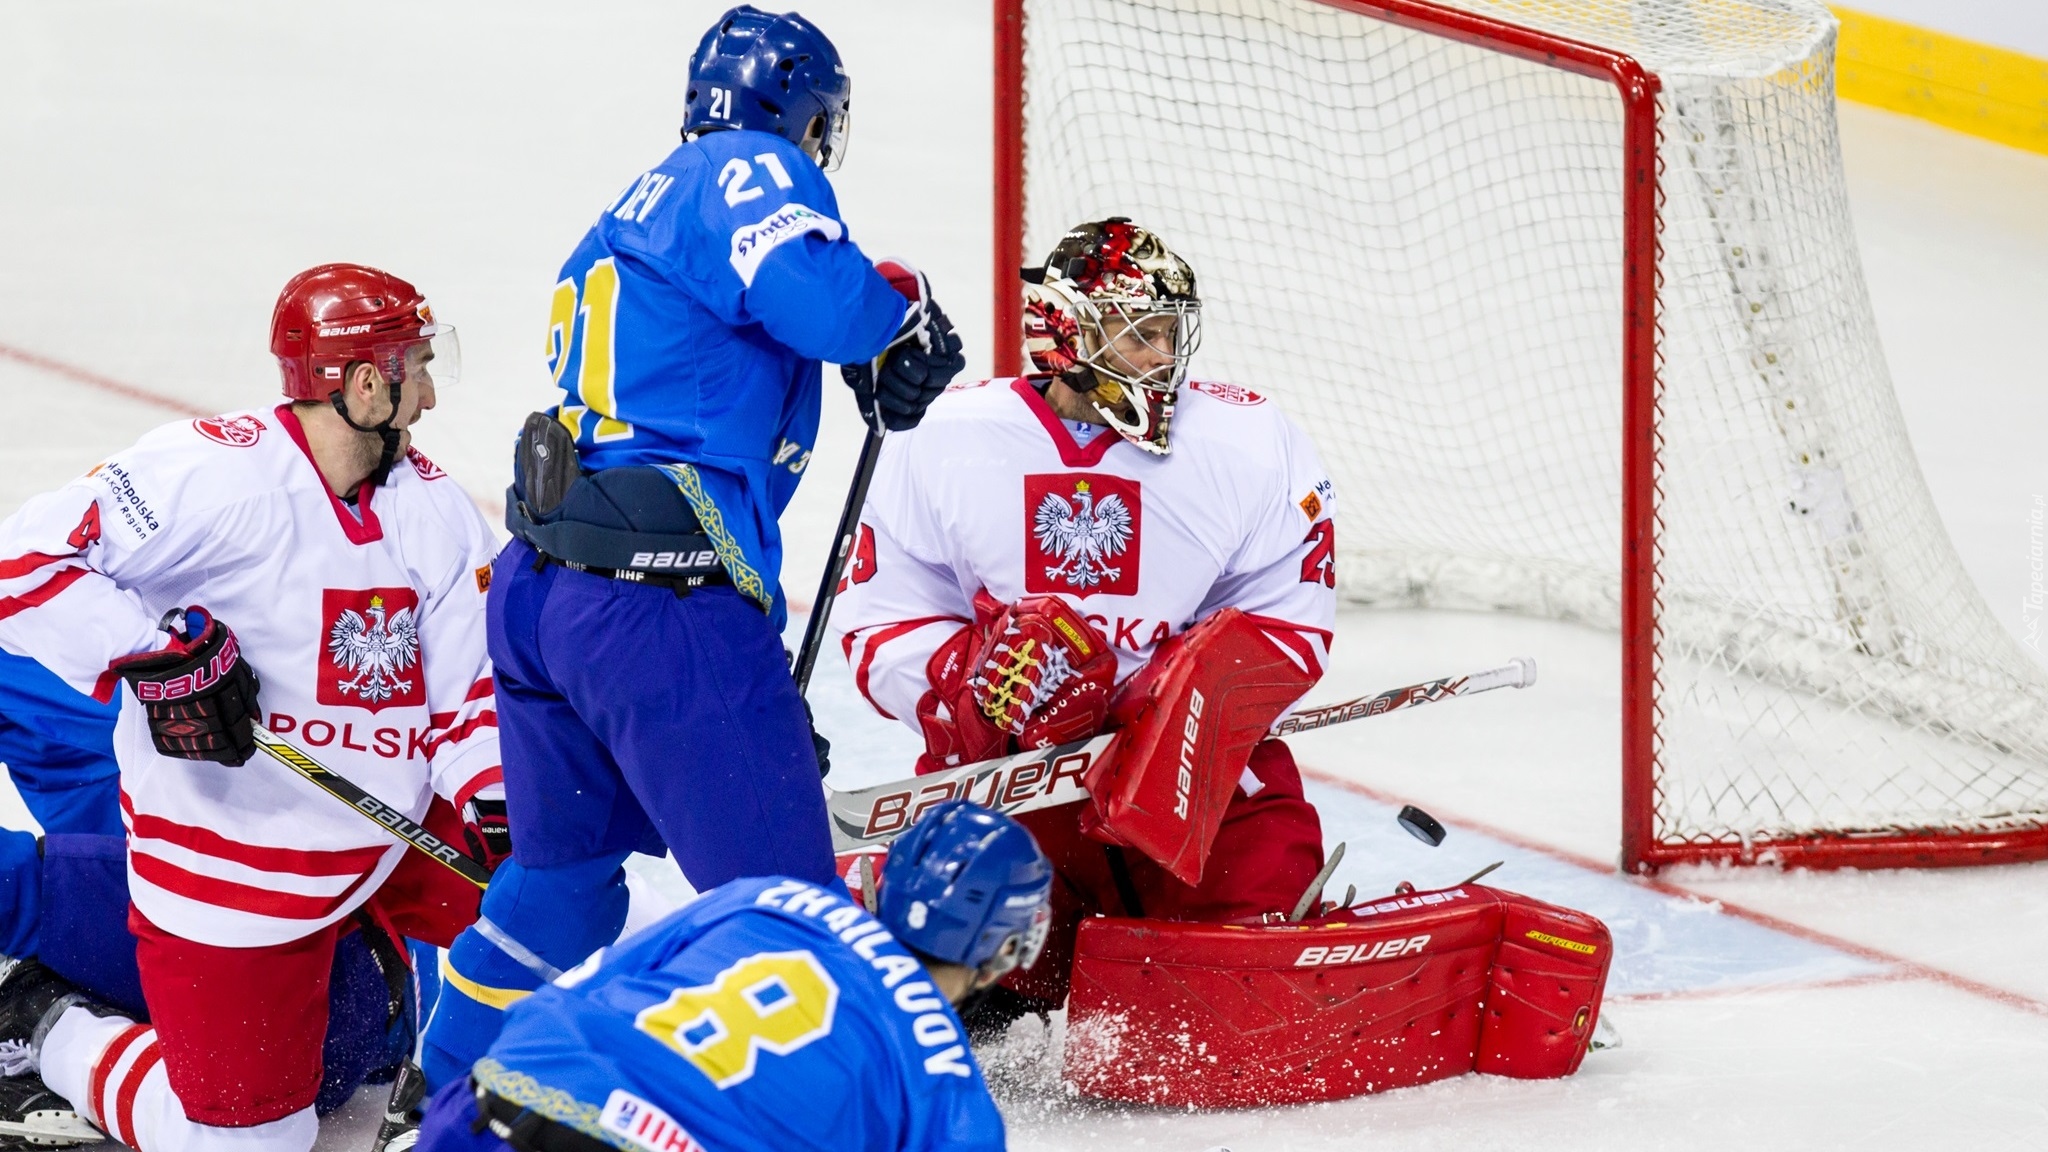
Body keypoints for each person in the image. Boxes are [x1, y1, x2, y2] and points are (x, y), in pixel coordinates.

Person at [419, 4, 966, 1089]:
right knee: (791, 925)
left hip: (542, 597)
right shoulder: (748, 168)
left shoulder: (636, 204)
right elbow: (820, 303)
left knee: (563, 885)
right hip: (656, 609)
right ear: (800, 113)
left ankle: (438, 1094)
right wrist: (894, 313)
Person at [0, 263, 504, 1152]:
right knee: (250, 1147)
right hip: (225, 878)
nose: (428, 393)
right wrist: (154, 654)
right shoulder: (214, 476)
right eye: (414, 367)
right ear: (360, 384)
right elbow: (25, 562)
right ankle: (51, 1029)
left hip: (365, 858)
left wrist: (497, 799)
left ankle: (371, 994)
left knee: (541, 878)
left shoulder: (435, 514)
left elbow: (468, 691)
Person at [831, 218, 1340, 1022]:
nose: (1162, 358)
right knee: (934, 991)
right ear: (1066, 333)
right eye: (1138, 336)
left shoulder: (1247, 442)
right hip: (1005, 779)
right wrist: (971, 677)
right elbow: (879, 617)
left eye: (1170, 334)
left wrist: (1179, 692)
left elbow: (1293, 612)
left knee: (1257, 974)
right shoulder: (943, 439)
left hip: (1186, 774)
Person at [414, 800, 1049, 1152]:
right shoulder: (944, 1074)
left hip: (492, 1098)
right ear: (1004, 949)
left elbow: (586, 986)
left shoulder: (765, 897)